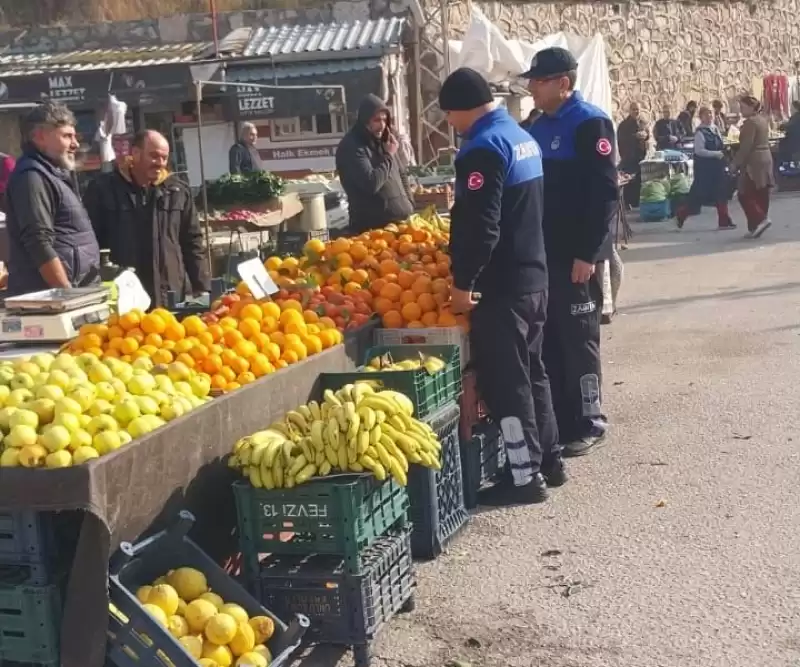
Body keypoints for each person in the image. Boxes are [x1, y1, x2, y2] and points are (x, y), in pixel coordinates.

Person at [439, 67, 562, 504]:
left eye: (449, 115)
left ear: (460, 109)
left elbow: (481, 226)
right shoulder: (519, 136)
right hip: (534, 276)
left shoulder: (483, 148)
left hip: (502, 286)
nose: (450, 125)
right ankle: (549, 457)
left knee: (507, 381)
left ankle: (524, 476)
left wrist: (463, 282)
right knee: (534, 371)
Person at [523, 47, 617, 457]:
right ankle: (559, 420)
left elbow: (604, 193)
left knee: (580, 339)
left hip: (574, 255)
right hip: (542, 253)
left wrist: (589, 253)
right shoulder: (536, 125)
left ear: (563, 83)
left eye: (538, 81)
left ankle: (589, 419)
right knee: (550, 339)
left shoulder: (589, 123)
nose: (531, 88)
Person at [83, 130, 210, 307]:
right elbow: (90, 243)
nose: (160, 163)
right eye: (154, 156)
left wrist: (202, 287)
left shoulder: (178, 191)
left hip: (171, 294)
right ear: (135, 153)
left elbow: (192, 241)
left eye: (164, 158)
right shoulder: (103, 189)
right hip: (124, 294)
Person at [4, 102, 100, 296]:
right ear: (40, 137)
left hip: (72, 293)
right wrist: (66, 294)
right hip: (50, 301)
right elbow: (38, 240)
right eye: (67, 136)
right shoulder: (31, 177)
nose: (76, 144)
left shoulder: (54, 174)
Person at [335, 95, 414, 234]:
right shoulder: (352, 147)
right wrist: (388, 156)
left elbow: (402, 175)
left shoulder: (386, 142)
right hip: (374, 233)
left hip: (402, 227)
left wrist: (410, 204)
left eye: (385, 120)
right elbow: (371, 183)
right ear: (365, 121)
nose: (382, 125)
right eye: (377, 120)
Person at [675, 106, 736, 230]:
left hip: (717, 167)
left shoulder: (715, 129)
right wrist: (715, 154)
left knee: (721, 193)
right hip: (704, 169)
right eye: (706, 114)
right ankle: (681, 214)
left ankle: (724, 220)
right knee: (698, 196)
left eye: (710, 114)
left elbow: (720, 144)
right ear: (701, 117)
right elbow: (699, 151)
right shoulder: (700, 133)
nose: (709, 116)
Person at [733, 95, 774, 239]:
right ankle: (755, 226)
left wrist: (735, 164)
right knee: (761, 192)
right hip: (766, 158)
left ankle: (760, 219)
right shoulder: (762, 120)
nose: (741, 110)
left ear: (751, 108)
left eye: (743, 107)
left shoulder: (750, 123)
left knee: (744, 193)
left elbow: (745, 147)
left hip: (754, 162)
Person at [617, 102, 649, 207]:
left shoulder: (642, 122)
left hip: (640, 155)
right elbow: (622, 139)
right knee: (629, 180)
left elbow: (648, 134)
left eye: (638, 109)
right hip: (629, 156)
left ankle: (637, 202)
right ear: (630, 111)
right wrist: (635, 136)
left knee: (639, 180)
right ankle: (627, 202)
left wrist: (646, 136)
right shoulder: (624, 125)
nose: (636, 111)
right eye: (634, 109)